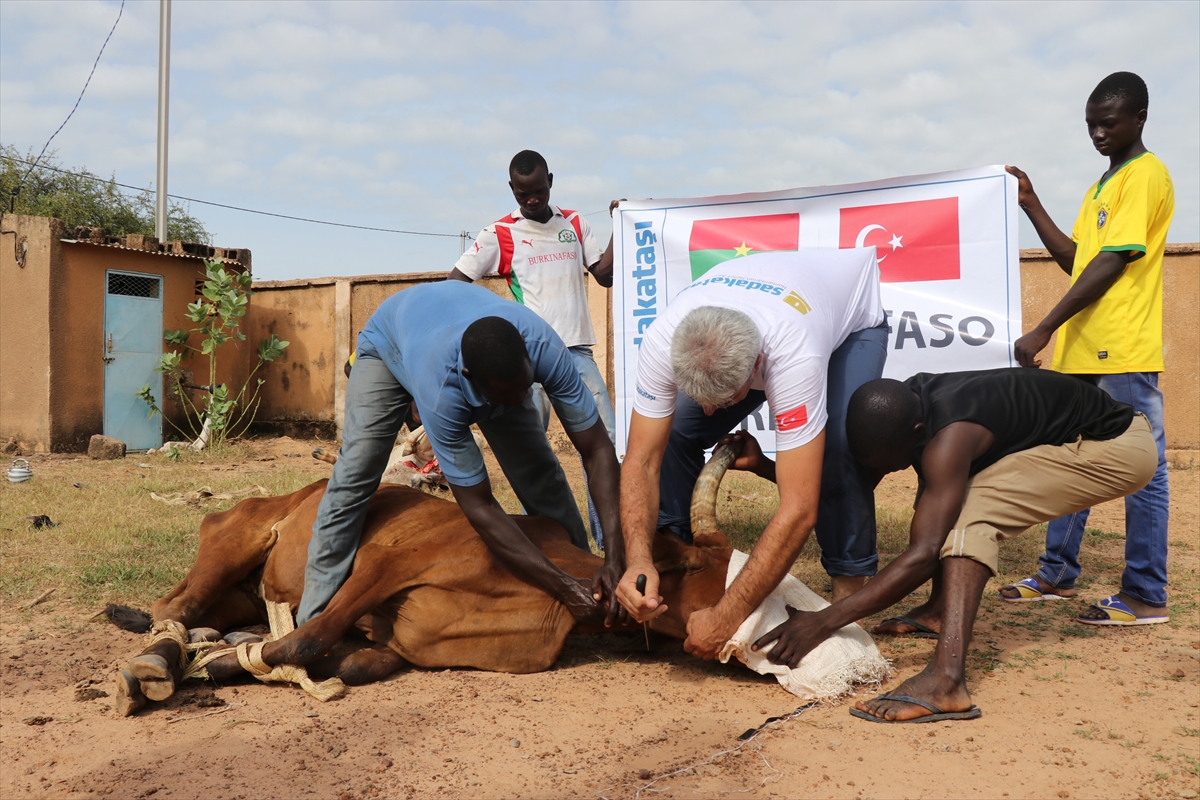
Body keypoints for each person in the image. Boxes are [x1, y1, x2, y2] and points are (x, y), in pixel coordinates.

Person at [745, 370, 1155, 722]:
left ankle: (946, 681)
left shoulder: (950, 436)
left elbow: (924, 554)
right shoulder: (904, 409)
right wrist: (765, 467)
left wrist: (822, 621)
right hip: (1077, 432)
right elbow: (853, 489)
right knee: (941, 500)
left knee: (970, 516)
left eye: (890, 463)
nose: (884, 472)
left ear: (917, 434)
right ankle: (939, 611)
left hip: (1113, 447)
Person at [296, 280, 626, 629]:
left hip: (459, 336)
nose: (519, 402)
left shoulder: (545, 349)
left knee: (539, 470)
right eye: (507, 394)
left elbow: (598, 450)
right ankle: (313, 614)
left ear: (529, 359)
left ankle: (585, 576)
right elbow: (480, 507)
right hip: (391, 342)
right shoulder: (442, 391)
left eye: (525, 387)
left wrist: (615, 558)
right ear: (472, 379)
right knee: (358, 469)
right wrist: (560, 588)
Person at [614, 249, 889, 659]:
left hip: (848, 323)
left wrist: (728, 616)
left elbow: (799, 508)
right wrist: (637, 558)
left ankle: (847, 600)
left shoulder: (794, 354)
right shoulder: (662, 337)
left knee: (837, 448)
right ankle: (669, 558)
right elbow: (641, 459)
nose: (710, 412)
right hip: (766, 302)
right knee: (673, 432)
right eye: (700, 398)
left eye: (723, 401)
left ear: (759, 367)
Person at [1004, 71, 1175, 624]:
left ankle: (1146, 594)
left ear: (1138, 119)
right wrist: (1031, 204)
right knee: (1072, 460)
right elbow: (1079, 259)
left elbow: (1109, 263)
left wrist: (1044, 327)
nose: (1098, 133)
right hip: (1086, 350)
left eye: (1108, 123)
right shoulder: (1101, 186)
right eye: (1090, 125)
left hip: (1122, 348)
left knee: (1142, 469)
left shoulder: (1146, 176)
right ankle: (1057, 573)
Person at [450, 149, 619, 549]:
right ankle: (552, 543)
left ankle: (609, 538)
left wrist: (622, 227)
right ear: (512, 189)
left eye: (538, 191)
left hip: (576, 354)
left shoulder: (575, 222)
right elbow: (455, 283)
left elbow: (605, 276)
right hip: (529, 361)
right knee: (533, 456)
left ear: (550, 182)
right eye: (523, 194)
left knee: (604, 444)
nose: (531, 200)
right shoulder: (499, 233)